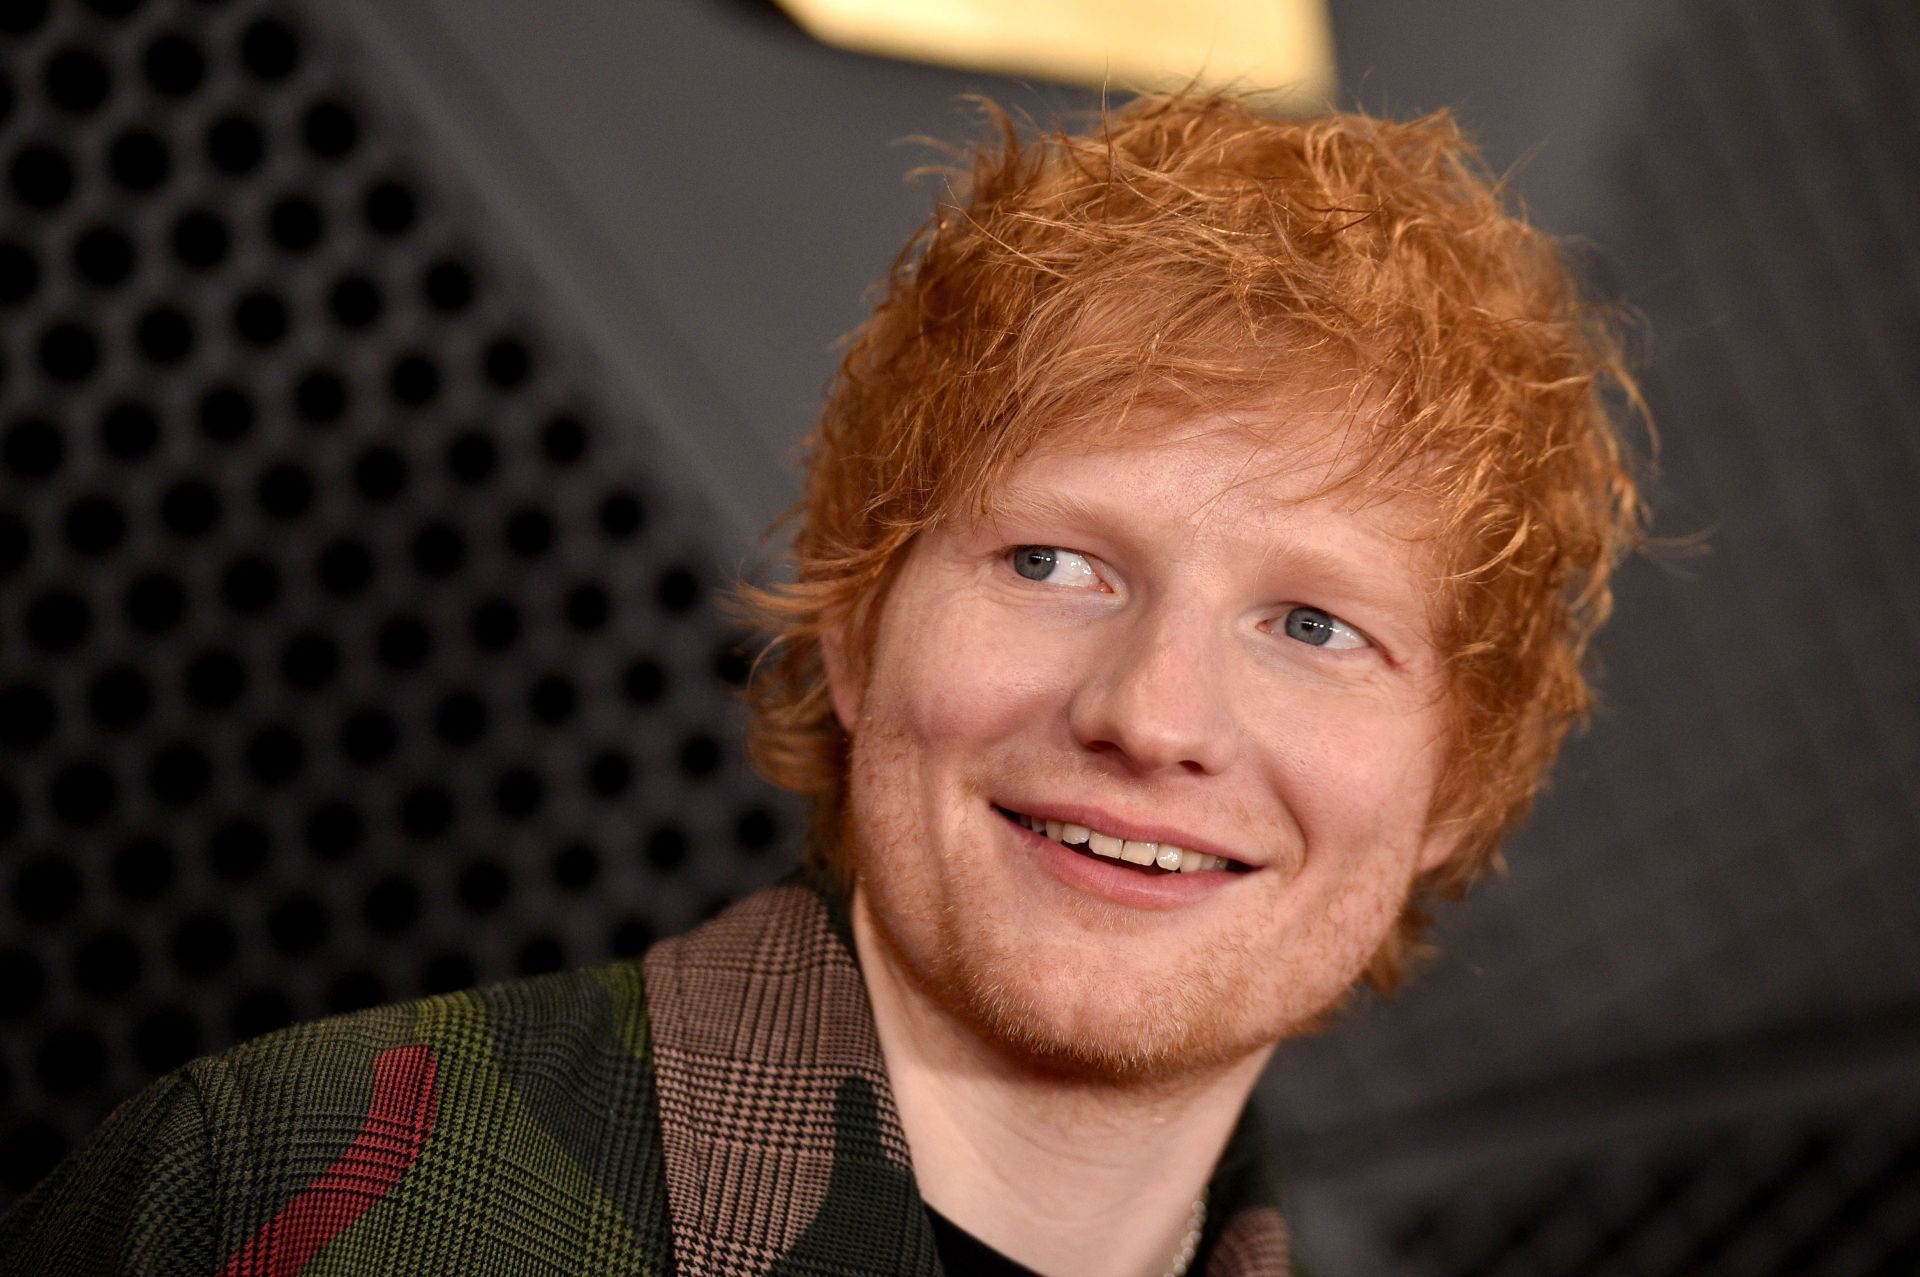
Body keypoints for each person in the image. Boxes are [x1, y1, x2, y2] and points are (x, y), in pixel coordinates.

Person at [0, 90, 1641, 1276]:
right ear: (857, 623)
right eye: (1052, 564)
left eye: (1312, 625)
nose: (1152, 715)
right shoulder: (296, 1201)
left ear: (1462, 776)